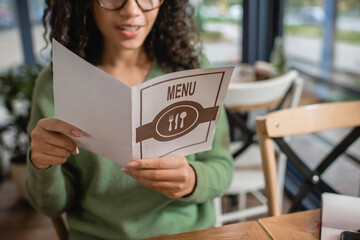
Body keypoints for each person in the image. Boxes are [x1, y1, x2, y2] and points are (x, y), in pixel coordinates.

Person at [26, 0, 234, 239]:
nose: (132, 10)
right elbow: (50, 206)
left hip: (186, 233)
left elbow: (222, 167)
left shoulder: (192, 67)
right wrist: (42, 165)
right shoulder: (56, 84)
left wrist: (193, 180)